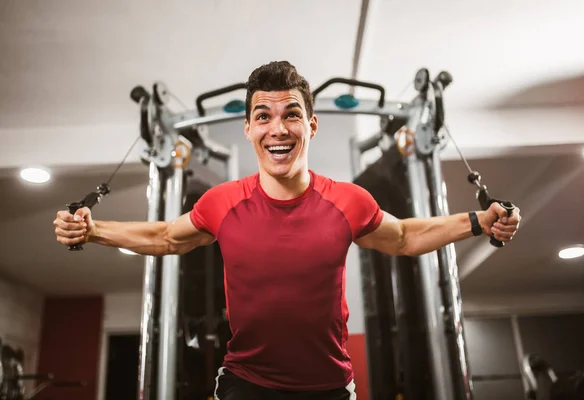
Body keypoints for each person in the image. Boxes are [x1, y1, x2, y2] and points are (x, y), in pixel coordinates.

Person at [54, 61, 521, 399]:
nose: (278, 128)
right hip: (245, 384)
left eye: (291, 114)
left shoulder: (347, 201)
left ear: (311, 125)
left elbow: (403, 238)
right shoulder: (222, 202)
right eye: (264, 116)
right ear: (249, 129)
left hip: (330, 388)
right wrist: (93, 231)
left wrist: (478, 220)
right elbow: (165, 238)